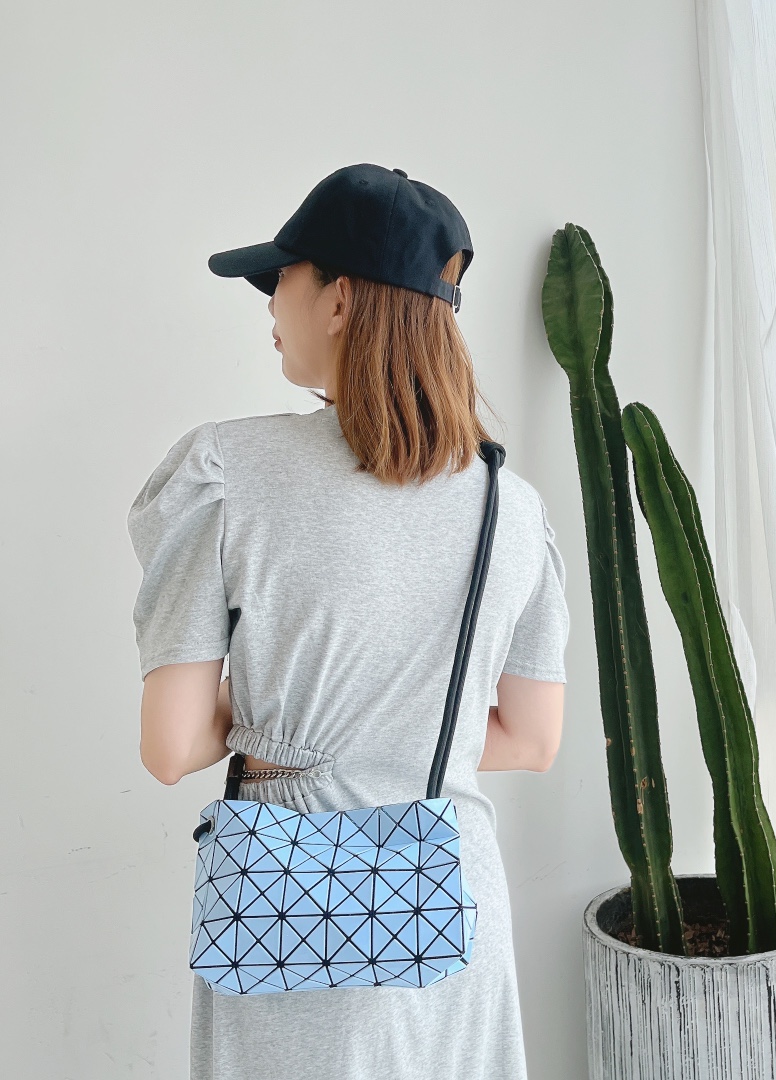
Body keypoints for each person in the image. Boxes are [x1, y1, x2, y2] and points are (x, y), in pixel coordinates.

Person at [125, 163, 571, 1080]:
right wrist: (387, 731)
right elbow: (531, 739)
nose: (269, 302)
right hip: (455, 919)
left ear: (339, 300)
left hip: (290, 924)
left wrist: (289, 731)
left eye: (280, 276)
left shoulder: (227, 472)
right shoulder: (513, 507)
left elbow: (172, 747)